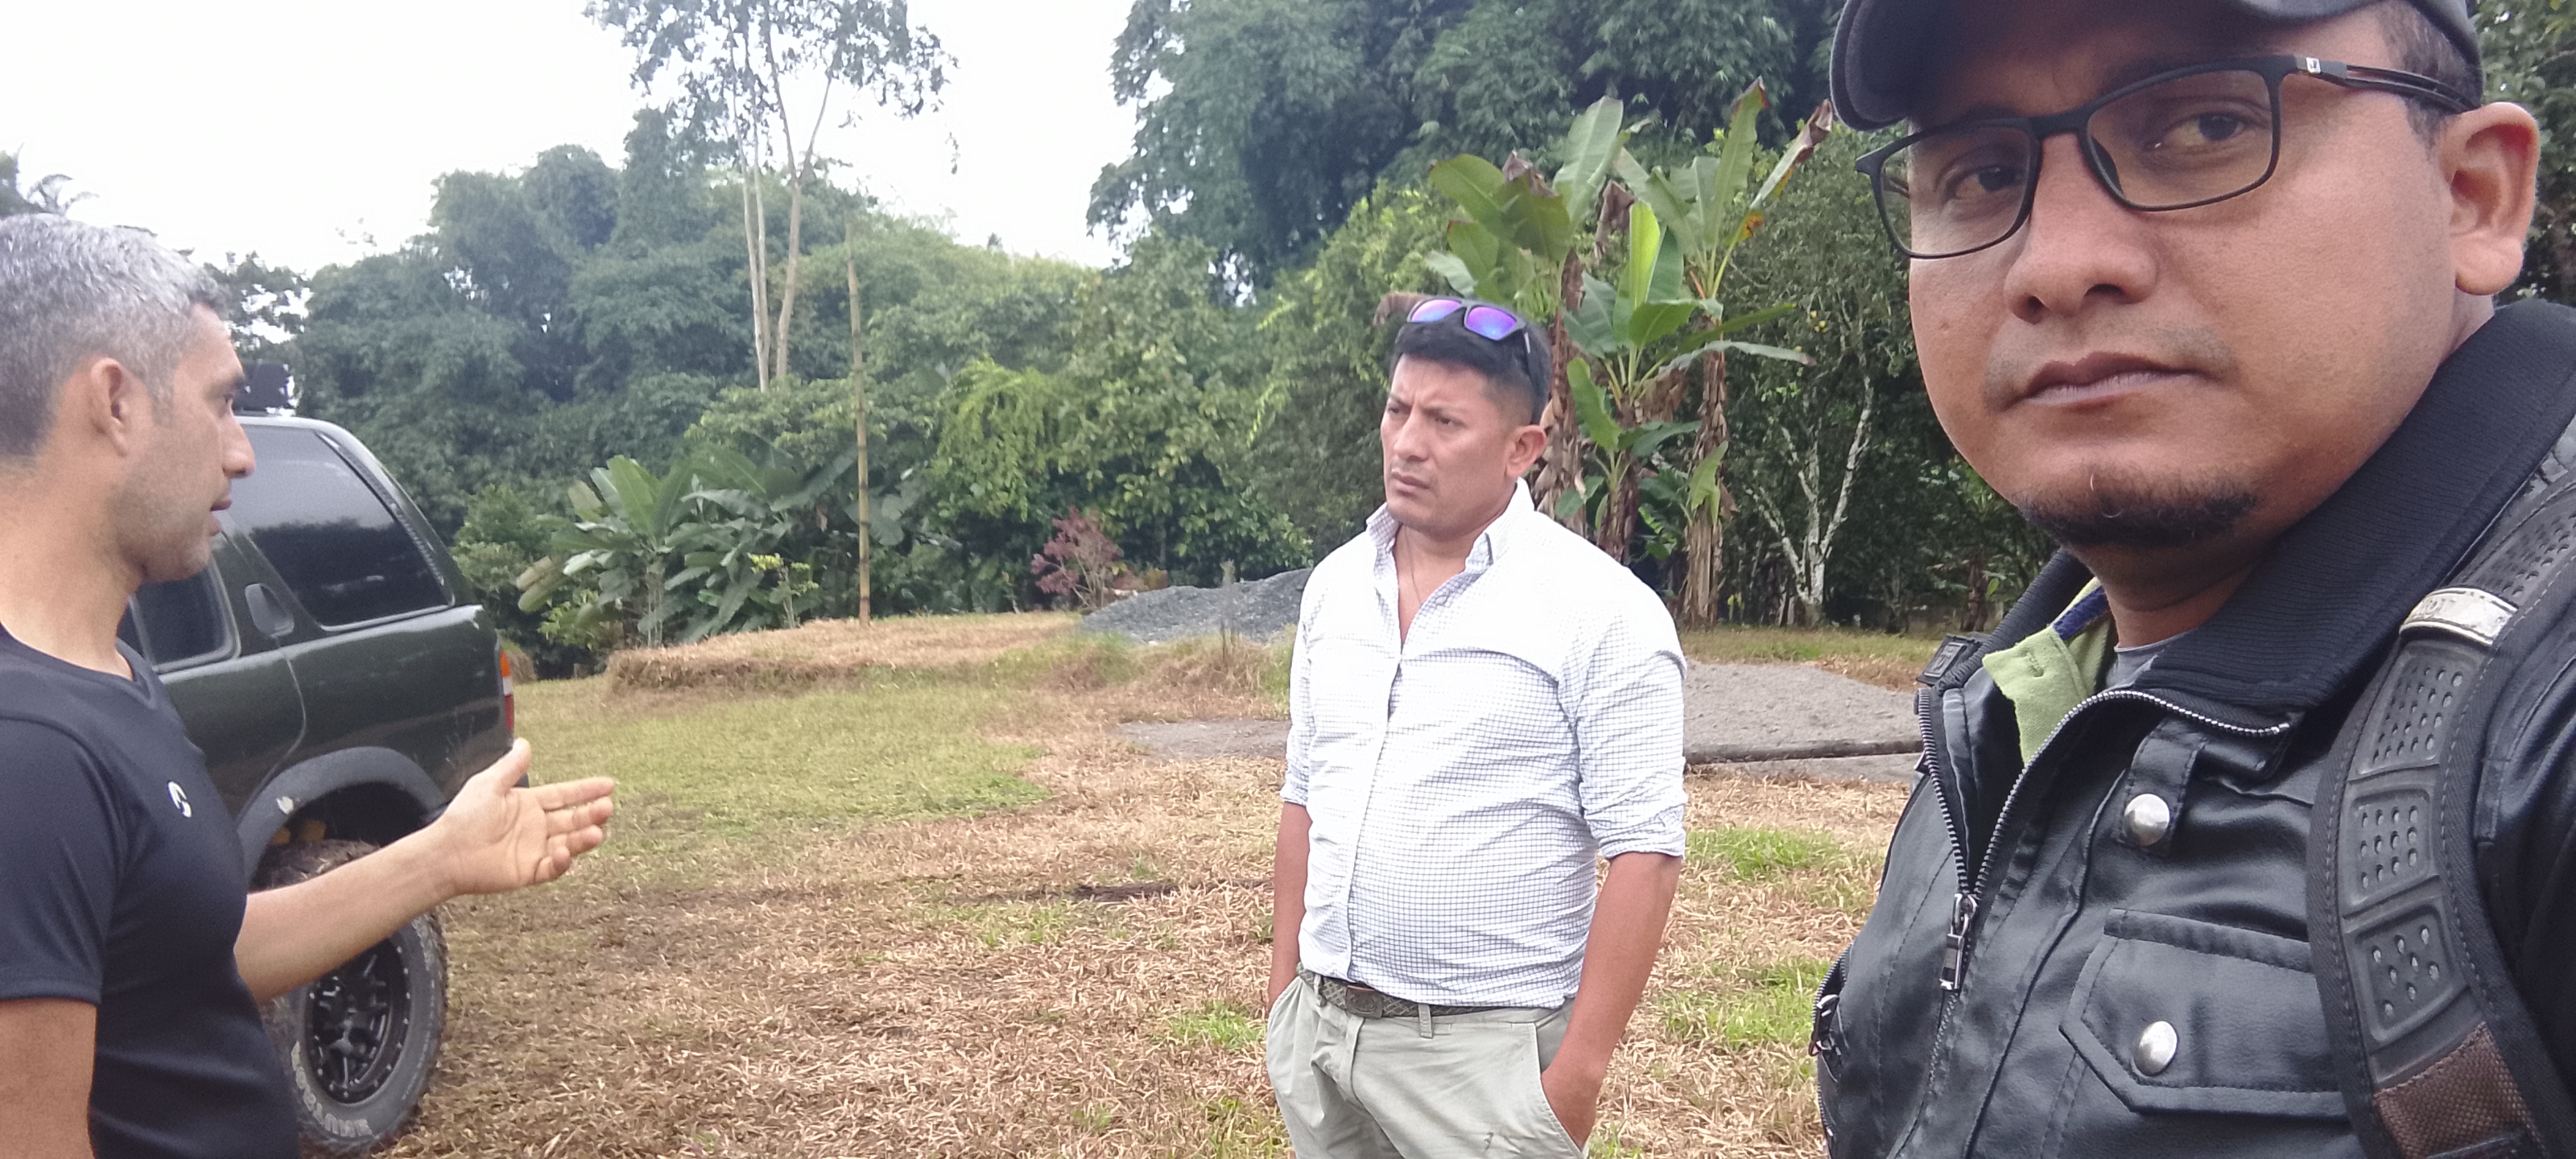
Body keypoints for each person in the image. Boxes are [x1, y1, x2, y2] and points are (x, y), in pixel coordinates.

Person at [1811, 0, 2576, 1154]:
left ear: (2472, 195)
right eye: (1981, 172)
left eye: (2206, 126)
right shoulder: (2018, 692)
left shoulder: (2538, 734)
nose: (2059, 265)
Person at [0, 213, 617, 1157]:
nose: (241, 451)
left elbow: (191, 954)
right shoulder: (27, 750)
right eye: (220, 402)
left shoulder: (109, 673)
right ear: (115, 402)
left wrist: (440, 858)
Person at [1265, 296, 1686, 1157]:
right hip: (1322, 1035)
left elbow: (1644, 852)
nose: (1406, 443)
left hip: (1484, 1060)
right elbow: (1304, 795)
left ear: (1520, 449)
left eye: (1444, 422)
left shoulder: (1601, 612)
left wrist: (1574, 1078)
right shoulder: (1336, 588)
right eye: (1397, 410)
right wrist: (1284, 1000)